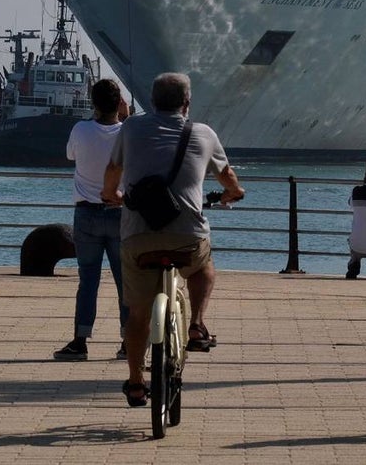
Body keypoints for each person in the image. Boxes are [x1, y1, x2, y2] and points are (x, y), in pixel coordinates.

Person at [101, 72, 244, 407]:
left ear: (151, 101)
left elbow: (112, 170)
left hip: (137, 236)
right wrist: (233, 193)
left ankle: (136, 383)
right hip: (187, 237)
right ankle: (196, 325)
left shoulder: (131, 127)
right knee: (204, 265)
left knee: (137, 316)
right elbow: (227, 176)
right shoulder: (203, 133)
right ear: (187, 102)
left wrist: (111, 194)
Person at [53, 78, 131, 361]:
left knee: (88, 280)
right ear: (118, 103)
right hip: (120, 212)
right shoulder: (127, 132)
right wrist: (126, 117)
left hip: (86, 213)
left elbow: (70, 154)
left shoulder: (80, 129)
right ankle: (128, 342)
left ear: (92, 102)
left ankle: (80, 341)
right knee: (126, 281)